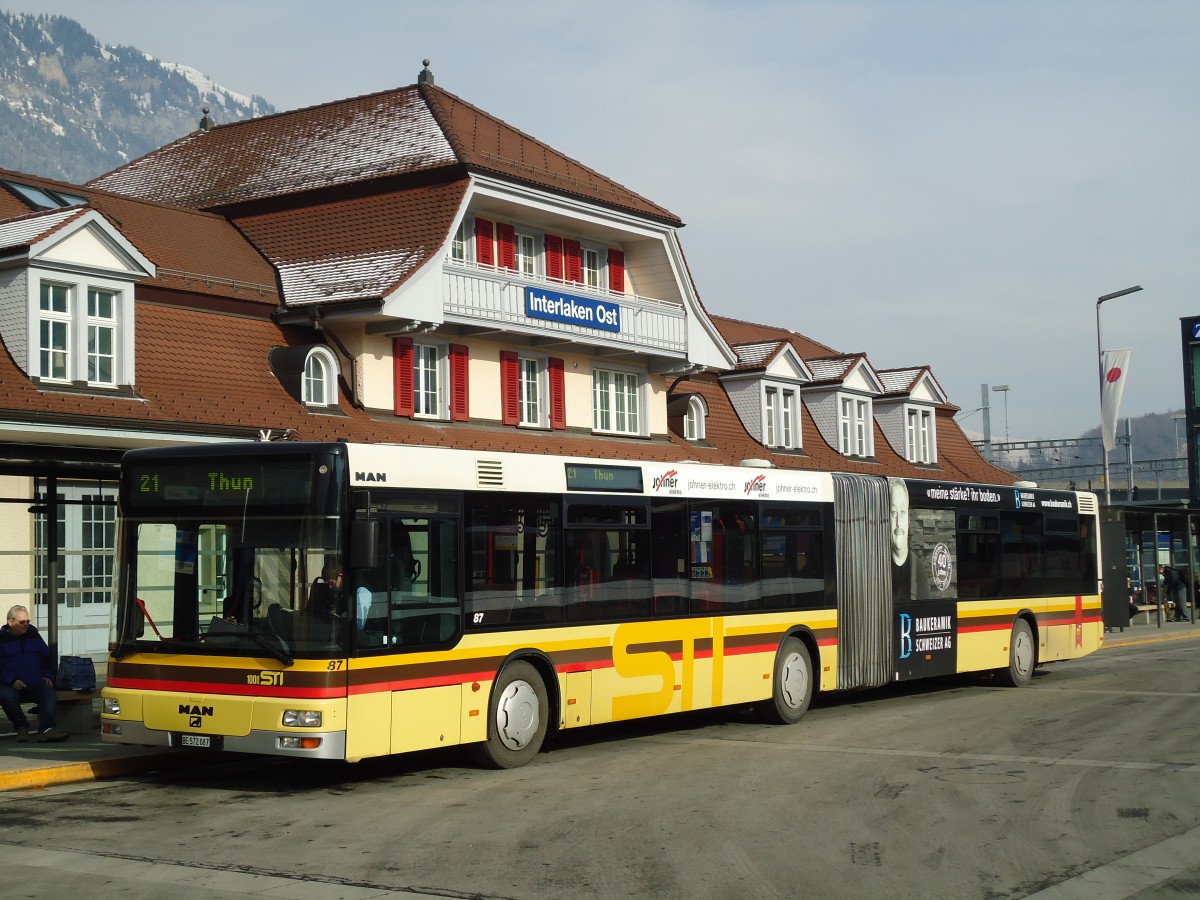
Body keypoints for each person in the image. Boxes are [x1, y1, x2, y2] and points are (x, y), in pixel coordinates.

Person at [0, 605, 69, 742]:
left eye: (28, 621)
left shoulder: (34, 636)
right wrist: (12, 680)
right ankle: (21, 727)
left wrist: (48, 675)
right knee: (6, 696)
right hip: (10, 685)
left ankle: (47, 730)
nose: (26, 625)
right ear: (10, 622)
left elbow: (46, 658)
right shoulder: (1, 640)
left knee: (49, 693)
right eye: (22, 622)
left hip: (35, 682)